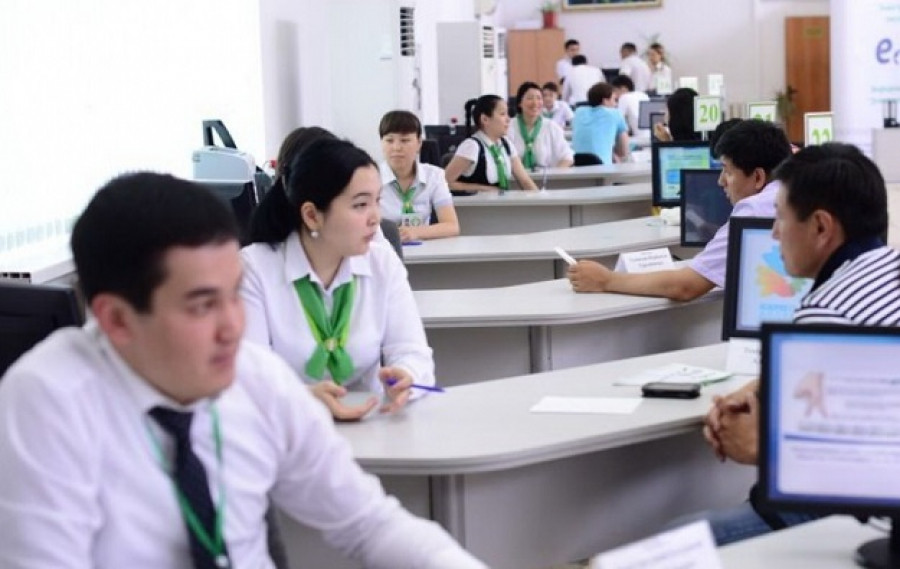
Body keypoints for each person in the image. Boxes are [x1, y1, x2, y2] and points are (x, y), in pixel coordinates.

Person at [0, 172, 486, 569]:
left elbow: (369, 524)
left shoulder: (256, 378)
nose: (233, 326)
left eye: (234, 293)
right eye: (202, 305)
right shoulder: (47, 401)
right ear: (116, 320)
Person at [698, 143, 900, 545]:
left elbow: (838, 466)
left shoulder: (827, 313)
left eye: (780, 217)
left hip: (855, 518)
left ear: (821, 227)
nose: (774, 233)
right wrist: (756, 388)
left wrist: (762, 448)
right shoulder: (886, 270)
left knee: (669, 544)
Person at [242, 138, 435, 421]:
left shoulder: (382, 262)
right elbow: (246, 377)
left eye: (377, 201)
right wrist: (304, 398)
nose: (375, 218)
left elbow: (413, 351)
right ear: (312, 215)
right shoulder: (254, 269)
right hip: (287, 429)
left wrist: (407, 375)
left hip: (372, 424)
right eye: (360, 205)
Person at [568, 119, 792, 300]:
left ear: (758, 177)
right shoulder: (796, 191)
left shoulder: (753, 210)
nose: (721, 181)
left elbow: (686, 287)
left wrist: (606, 280)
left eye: (728, 171)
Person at [377, 110, 459, 241]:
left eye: (405, 140)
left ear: (419, 143)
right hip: (383, 247)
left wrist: (415, 232)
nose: (396, 147)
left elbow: (452, 226)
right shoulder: (371, 177)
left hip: (422, 247)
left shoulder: (434, 175)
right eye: (389, 140)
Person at [444, 94, 538, 193]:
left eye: (507, 114)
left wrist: (539, 198)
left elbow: (525, 181)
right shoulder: (472, 146)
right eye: (502, 114)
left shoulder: (506, 144)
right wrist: (483, 189)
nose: (508, 119)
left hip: (502, 202)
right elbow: (445, 183)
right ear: (485, 119)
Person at [507, 81, 573, 169]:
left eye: (539, 98)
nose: (535, 103)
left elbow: (567, 157)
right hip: (515, 176)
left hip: (546, 176)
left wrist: (554, 174)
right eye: (530, 98)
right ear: (520, 103)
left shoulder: (551, 126)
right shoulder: (509, 126)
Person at [570, 82, 629, 166]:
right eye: (614, 100)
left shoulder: (578, 112)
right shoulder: (615, 113)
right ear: (605, 101)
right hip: (602, 168)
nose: (616, 104)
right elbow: (623, 151)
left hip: (577, 167)